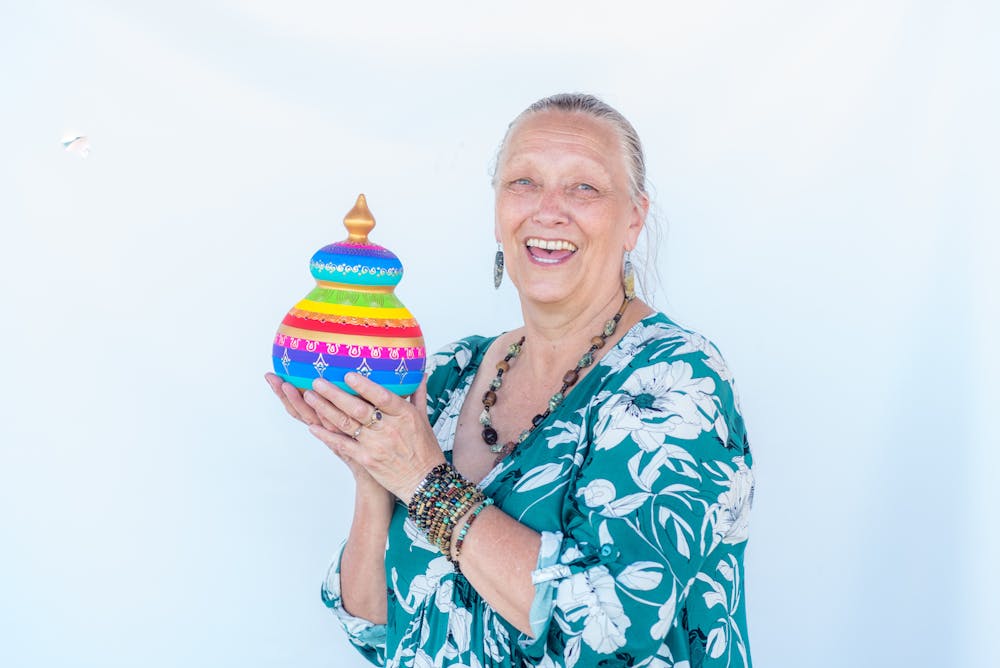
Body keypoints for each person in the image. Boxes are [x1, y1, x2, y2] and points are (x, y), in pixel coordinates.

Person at [265, 93, 754, 667]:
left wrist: (422, 478)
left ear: (633, 220)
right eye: (524, 182)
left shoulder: (675, 382)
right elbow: (375, 629)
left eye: (584, 188)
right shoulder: (448, 376)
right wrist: (375, 472)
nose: (548, 211)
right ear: (498, 211)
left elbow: (613, 632)